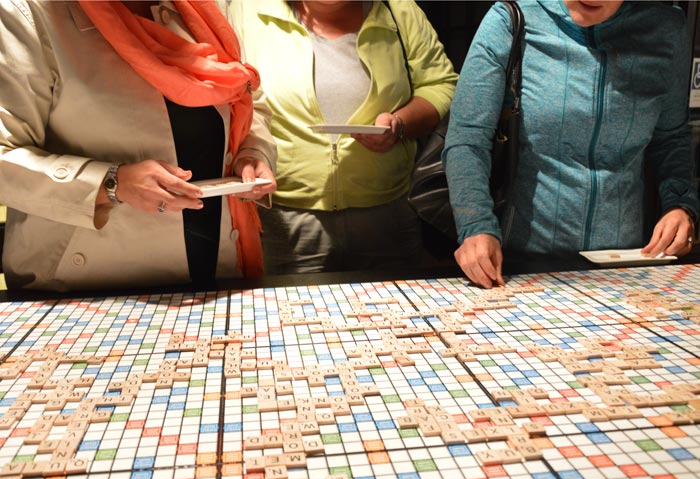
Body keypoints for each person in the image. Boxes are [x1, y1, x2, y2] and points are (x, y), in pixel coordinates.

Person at [0, 0, 277, 291]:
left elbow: (246, 99)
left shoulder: (204, 9)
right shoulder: (28, 12)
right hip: (88, 286)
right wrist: (110, 183)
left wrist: (253, 152)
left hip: (217, 271)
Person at [444, 0, 700, 288]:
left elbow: (672, 137)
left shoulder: (666, 29)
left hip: (625, 265)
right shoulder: (511, 19)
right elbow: (468, 137)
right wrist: (475, 225)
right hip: (522, 265)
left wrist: (681, 205)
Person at [229, 0, 457, 274]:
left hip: (387, 216)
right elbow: (232, 97)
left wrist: (400, 124)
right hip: (284, 218)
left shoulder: (398, 9)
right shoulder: (247, 10)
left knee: (392, 315)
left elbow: (440, 84)